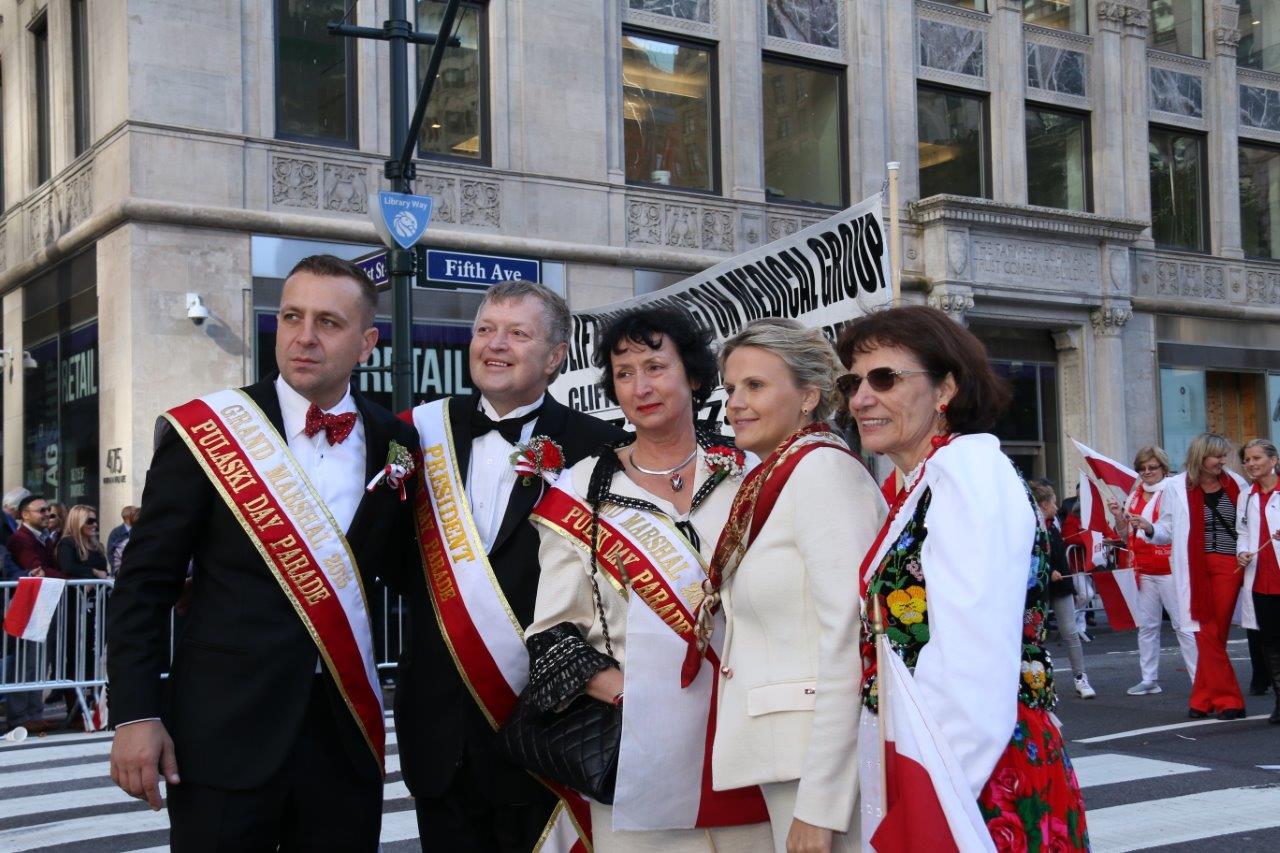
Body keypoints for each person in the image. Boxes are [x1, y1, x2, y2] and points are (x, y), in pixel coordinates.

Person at [107, 254, 418, 851]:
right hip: (222, 730)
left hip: (343, 736)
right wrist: (134, 713)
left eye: (329, 322)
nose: (304, 337)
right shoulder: (208, 432)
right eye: (292, 316)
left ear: (366, 343)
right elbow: (144, 584)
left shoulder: (395, 440)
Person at [839, 305, 1088, 851]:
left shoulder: (968, 470)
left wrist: (932, 803)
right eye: (852, 382)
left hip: (976, 774)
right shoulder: (928, 479)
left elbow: (971, 668)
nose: (860, 398)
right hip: (943, 759)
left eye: (884, 378)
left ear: (946, 388)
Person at [525, 306, 772, 851]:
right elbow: (552, 635)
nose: (641, 387)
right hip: (640, 752)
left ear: (695, 376)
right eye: (624, 373)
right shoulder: (581, 490)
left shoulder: (750, 473)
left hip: (749, 736)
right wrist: (631, 698)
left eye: (656, 367)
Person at [396, 281, 624, 851]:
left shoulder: (601, 446)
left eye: (517, 333)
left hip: (551, 724)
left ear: (554, 356)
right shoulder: (414, 433)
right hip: (439, 732)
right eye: (485, 330)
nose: (495, 345)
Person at [708, 318, 884, 852]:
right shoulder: (776, 473)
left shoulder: (823, 471)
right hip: (791, 757)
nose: (735, 403)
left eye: (755, 386)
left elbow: (852, 638)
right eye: (731, 388)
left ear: (809, 396)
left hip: (821, 767)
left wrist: (821, 804)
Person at [1151, 432, 1248, 719]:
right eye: (1217, 456)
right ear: (1200, 457)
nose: (1222, 461)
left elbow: (1248, 525)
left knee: (1212, 632)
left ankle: (1221, 699)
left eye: (1223, 455)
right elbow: (1166, 529)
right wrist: (1148, 529)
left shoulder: (1236, 484)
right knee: (1206, 631)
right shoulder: (1175, 487)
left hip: (1229, 565)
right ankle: (1210, 698)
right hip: (1193, 566)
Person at [1106, 446, 1197, 695]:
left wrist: (1149, 527)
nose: (1146, 472)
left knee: (1183, 626)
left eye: (1152, 467)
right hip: (1143, 569)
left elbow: (1177, 531)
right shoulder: (1135, 495)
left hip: (1170, 569)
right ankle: (1149, 679)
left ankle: (1200, 680)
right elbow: (1126, 536)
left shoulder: (1174, 491)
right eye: (1142, 468)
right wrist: (1119, 517)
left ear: (1164, 468)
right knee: (1147, 627)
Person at [1031, 481, 1095, 699]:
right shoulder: (1029, 525)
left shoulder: (1053, 524)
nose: (1057, 507)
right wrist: (1048, 571)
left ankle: (1081, 677)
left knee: (1070, 631)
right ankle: (1035, 680)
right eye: (1053, 502)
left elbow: (1057, 552)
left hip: (1061, 586)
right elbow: (1029, 555)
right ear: (1044, 504)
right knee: (1035, 635)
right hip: (1037, 587)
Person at [3, 494, 59, 734]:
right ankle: (20, 715)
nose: (47, 514)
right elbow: (36, 569)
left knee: (37, 662)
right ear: (25, 514)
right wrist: (68, 576)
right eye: (41, 510)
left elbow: (46, 570)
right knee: (23, 663)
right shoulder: (21, 539)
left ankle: (34, 713)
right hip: (25, 607)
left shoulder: (42, 538)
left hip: (40, 604)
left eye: (48, 510)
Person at [1236, 438, 1280, 722]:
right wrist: (1241, 553)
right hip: (1260, 579)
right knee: (1270, 641)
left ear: (1273, 461)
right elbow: (1242, 533)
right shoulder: (1246, 496)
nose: (1250, 464)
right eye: (1247, 460)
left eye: (1256, 458)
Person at [55, 504, 109, 728]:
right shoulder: (68, 544)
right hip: (75, 608)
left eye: (95, 520)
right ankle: (75, 709)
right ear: (78, 522)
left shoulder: (96, 546)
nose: (94, 525)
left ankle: (93, 707)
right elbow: (67, 566)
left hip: (97, 607)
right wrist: (92, 573)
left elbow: (105, 571)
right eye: (89, 521)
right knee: (75, 655)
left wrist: (98, 576)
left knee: (93, 656)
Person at [106, 505, 139, 576]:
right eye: (135, 513)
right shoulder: (116, 532)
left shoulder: (139, 530)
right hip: (120, 572)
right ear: (128, 516)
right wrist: (116, 569)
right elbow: (110, 552)